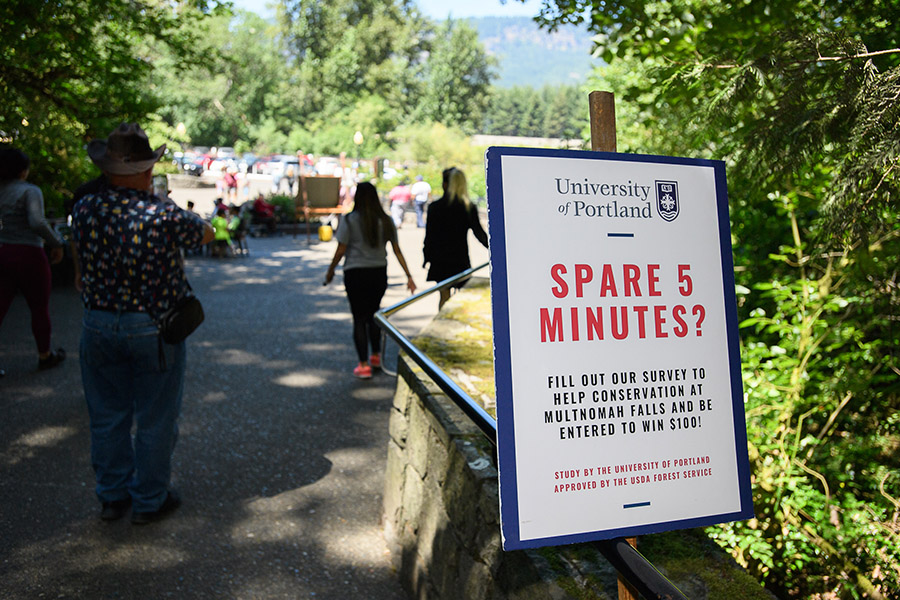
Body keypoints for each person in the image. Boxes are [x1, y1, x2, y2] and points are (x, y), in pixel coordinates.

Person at [71, 122, 214, 524]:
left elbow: (78, 250)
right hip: (152, 325)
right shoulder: (161, 212)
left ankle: (112, 497)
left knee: (106, 415)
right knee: (155, 417)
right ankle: (149, 500)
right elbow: (205, 233)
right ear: (147, 171)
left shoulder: (85, 208)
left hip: (97, 323)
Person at [325, 182, 416, 379]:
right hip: (378, 273)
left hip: (355, 273)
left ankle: (363, 364)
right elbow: (397, 250)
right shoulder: (385, 220)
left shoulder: (350, 220)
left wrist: (330, 271)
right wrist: (408, 276)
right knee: (374, 314)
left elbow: (341, 250)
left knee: (359, 318)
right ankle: (376, 356)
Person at [0, 148, 67, 375]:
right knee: (39, 307)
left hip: (3, 251)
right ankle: (44, 354)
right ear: (23, 170)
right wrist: (56, 242)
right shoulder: (30, 191)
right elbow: (37, 222)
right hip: (30, 254)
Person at [422, 168, 489, 309]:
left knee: (444, 296)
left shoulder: (435, 207)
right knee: (461, 298)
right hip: (459, 258)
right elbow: (479, 233)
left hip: (440, 259)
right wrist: (494, 249)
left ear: (447, 184)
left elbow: (430, 237)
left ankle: (442, 327)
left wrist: (426, 256)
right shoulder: (468, 207)